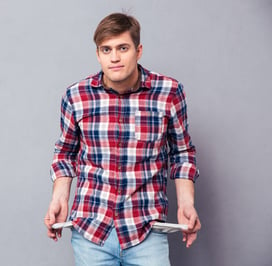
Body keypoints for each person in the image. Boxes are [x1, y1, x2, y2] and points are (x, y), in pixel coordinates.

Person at [44, 13, 201, 265]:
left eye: (122, 48)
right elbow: (65, 154)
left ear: (138, 51)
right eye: (106, 50)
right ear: (98, 54)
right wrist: (59, 198)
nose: (114, 58)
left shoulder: (168, 92)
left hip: (146, 231)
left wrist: (186, 203)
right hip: (91, 232)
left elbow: (182, 153)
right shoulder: (76, 96)